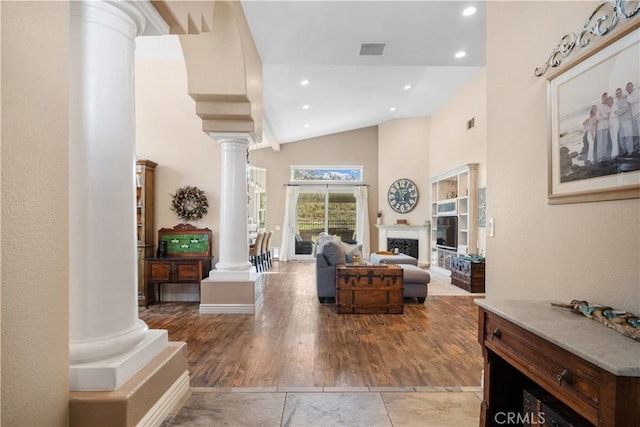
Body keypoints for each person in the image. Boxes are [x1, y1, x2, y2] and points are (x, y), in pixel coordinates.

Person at [615, 87, 634, 154]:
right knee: (622, 136)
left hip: (626, 120)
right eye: (617, 93)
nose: (619, 94)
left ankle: (630, 151)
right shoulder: (616, 103)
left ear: (621, 92)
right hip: (620, 121)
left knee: (628, 135)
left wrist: (618, 113)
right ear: (616, 94)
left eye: (620, 92)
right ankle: (624, 150)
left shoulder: (625, 99)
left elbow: (625, 108)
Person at [595, 92, 611, 161]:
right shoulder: (598, 106)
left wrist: (602, 115)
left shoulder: (608, 106)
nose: (606, 98)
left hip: (606, 126)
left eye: (606, 97)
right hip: (600, 127)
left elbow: (608, 116)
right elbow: (597, 117)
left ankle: (604, 155)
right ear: (602, 97)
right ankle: (599, 157)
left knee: (605, 141)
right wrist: (603, 115)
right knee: (600, 142)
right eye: (604, 97)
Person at [626, 82, 640, 152]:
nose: (629, 88)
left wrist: (627, 97)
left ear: (632, 86)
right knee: (636, 132)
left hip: (638, 113)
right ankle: (637, 147)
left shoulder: (637, 91)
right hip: (634, 116)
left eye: (630, 86)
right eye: (627, 88)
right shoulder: (630, 95)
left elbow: (633, 100)